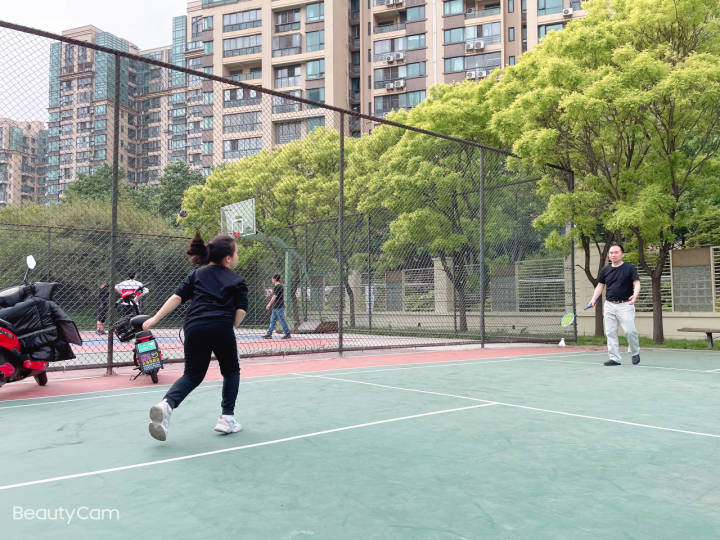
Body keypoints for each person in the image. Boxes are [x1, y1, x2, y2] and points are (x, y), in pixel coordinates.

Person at [143, 233, 248, 441]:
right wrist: (229, 323)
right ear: (228, 258)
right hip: (221, 326)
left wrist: (154, 319)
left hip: (194, 326)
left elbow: (177, 297)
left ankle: (166, 405)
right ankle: (227, 418)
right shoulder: (238, 281)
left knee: (192, 375)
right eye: (235, 252)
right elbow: (239, 315)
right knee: (231, 370)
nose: (236, 255)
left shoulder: (197, 274)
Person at [588, 243, 641, 366]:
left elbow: (637, 283)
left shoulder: (629, 268)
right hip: (609, 305)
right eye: (611, 253)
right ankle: (614, 358)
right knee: (610, 332)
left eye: (616, 252)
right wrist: (593, 299)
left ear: (622, 254)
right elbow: (600, 286)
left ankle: (635, 352)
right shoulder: (605, 270)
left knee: (630, 331)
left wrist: (635, 294)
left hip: (625, 305)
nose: (613, 255)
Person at [263, 273, 291, 339]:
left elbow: (274, 296)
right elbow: (282, 296)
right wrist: (283, 303)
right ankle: (269, 334)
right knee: (272, 321)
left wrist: (269, 304)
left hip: (278, 306)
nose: (272, 280)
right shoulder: (280, 286)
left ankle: (287, 334)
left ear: (275, 279)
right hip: (276, 306)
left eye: (272, 278)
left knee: (282, 320)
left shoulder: (278, 286)